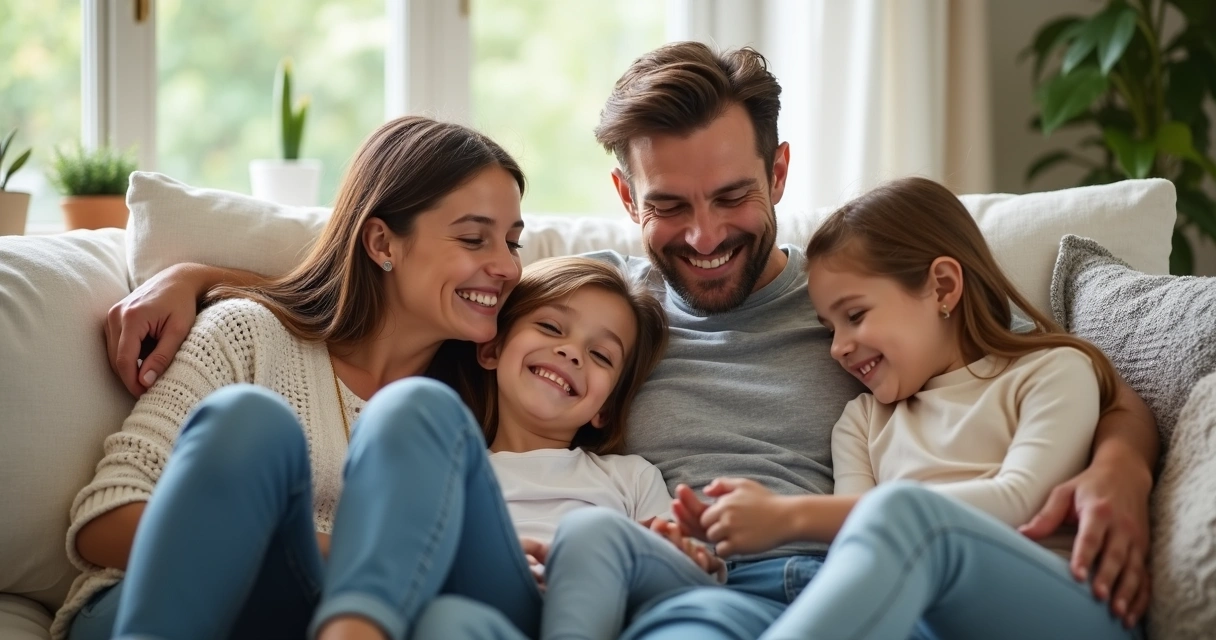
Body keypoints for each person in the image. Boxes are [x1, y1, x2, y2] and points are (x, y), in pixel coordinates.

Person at [102, 42, 1160, 638]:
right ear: (623, 198)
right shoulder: (616, 313)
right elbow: (431, 299)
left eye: (733, 197)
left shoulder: (858, 302)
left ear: (779, 173)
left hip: (813, 583)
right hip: (667, 591)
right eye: (668, 206)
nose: (702, 237)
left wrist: (1123, 461)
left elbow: (1048, 371)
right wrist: (213, 278)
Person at [54, 115, 528, 640]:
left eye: (513, 243)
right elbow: (103, 520)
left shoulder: (484, 396)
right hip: (154, 601)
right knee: (251, 420)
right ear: (382, 243)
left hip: (300, 622)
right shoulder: (248, 336)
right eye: (474, 239)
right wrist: (364, 553)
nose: (507, 268)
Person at [675, 177, 1137, 640]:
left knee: (900, 512)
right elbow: (851, 548)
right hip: (922, 622)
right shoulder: (861, 422)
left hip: (1056, 609)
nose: (837, 347)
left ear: (942, 287)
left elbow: (1018, 501)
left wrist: (787, 518)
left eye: (855, 316)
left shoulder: (1052, 371)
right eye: (830, 328)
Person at [381, 255, 725, 640]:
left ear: (606, 408)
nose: (572, 352)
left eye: (600, 355)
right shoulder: (450, 476)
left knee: (591, 530)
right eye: (550, 327)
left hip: (602, 614)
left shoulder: (631, 477)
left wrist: (688, 552)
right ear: (492, 349)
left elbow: (680, 569)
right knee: (445, 619)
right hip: (491, 609)